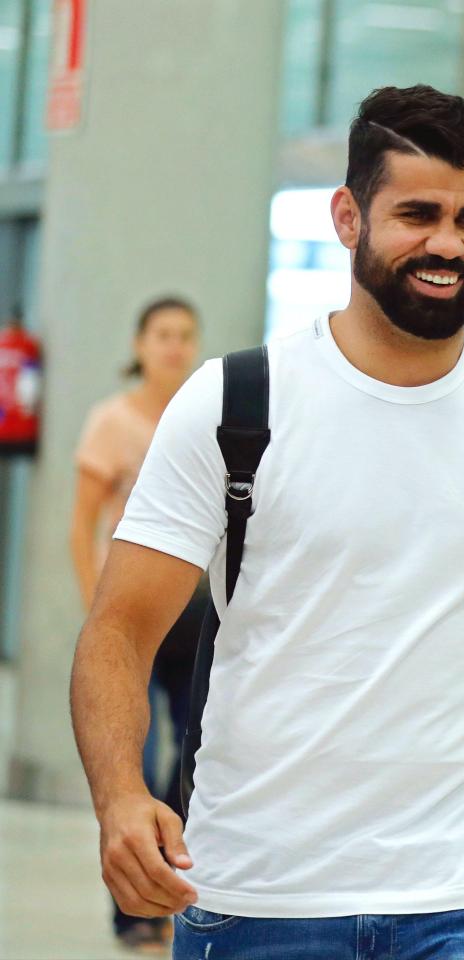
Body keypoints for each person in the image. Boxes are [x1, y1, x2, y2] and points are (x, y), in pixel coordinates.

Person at [70, 85, 464, 960]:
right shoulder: (239, 402)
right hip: (258, 899)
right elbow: (119, 631)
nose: (446, 243)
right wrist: (121, 798)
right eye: (417, 213)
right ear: (348, 217)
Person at [70, 295, 205, 953]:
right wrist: (97, 612)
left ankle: (171, 892)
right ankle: (131, 910)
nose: (174, 347)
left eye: (185, 336)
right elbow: (82, 523)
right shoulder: (112, 423)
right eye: (162, 335)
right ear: (140, 344)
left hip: (195, 616)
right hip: (131, 617)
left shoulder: (205, 419)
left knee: (192, 758)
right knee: (138, 764)